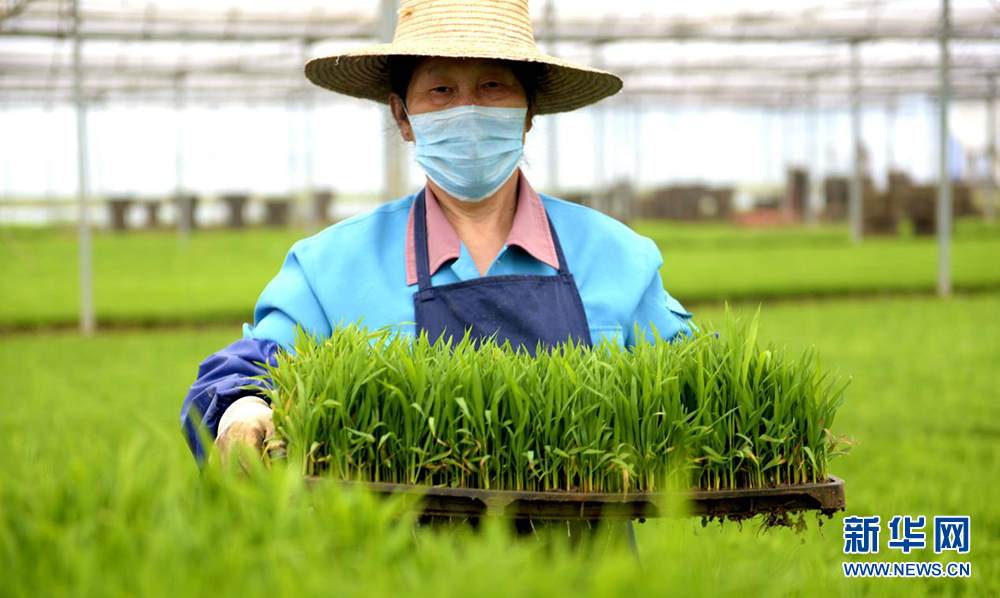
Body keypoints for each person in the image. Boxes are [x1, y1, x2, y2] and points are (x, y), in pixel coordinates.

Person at [181, 0, 695, 464]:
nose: (467, 109)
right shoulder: (330, 267)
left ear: (529, 111)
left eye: (493, 86)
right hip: (402, 567)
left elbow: (706, 385)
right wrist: (242, 411)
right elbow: (245, 370)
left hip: (594, 569)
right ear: (402, 115)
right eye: (440, 89)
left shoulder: (618, 256)